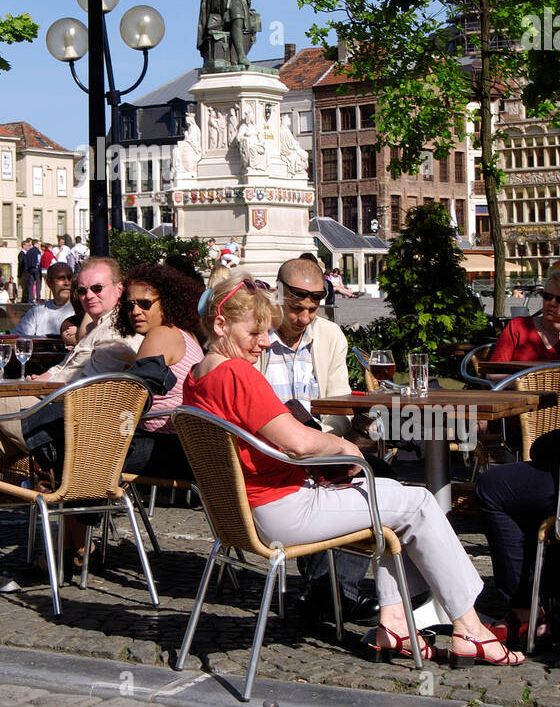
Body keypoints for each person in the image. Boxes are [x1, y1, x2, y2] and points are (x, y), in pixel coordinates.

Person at [181, 277, 524, 667]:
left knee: (390, 505)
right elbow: (301, 443)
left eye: (266, 332)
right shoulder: (237, 374)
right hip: (283, 509)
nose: (262, 342)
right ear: (221, 325)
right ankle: (470, 627)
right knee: (419, 503)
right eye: (255, 332)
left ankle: (393, 621)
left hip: (245, 514)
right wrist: (344, 447)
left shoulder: (198, 376)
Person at [261, 258, 380, 623]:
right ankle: (334, 594)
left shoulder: (329, 336)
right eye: (296, 308)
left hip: (319, 446)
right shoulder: (256, 336)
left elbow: (339, 407)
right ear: (276, 295)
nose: (304, 318)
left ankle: (330, 590)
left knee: (372, 474)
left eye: (313, 309)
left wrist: (322, 442)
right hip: (270, 451)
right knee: (337, 477)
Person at [0, 257, 141, 464]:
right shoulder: (99, 327)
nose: (88, 296)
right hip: (49, 416)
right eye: (83, 291)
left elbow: (84, 392)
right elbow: (66, 368)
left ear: (119, 289)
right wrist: (43, 378)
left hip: (63, 427)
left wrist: (40, 387)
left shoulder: (117, 335)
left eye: (97, 288)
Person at [474, 271, 560, 644]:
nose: (553, 304)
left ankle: (524, 609)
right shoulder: (520, 329)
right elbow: (494, 377)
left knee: (498, 488)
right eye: (548, 296)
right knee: (516, 481)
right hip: (514, 425)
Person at [116, 262, 204, 480]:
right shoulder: (186, 335)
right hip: (185, 449)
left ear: (166, 302)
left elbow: (131, 400)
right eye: (129, 305)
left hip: (163, 448)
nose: (135, 311)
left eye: (145, 304)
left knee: (73, 443)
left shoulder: (161, 335)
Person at [489, 269, 560, 362]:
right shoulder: (519, 326)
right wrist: (524, 377)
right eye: (547, 296)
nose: (552, 303)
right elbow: (492, 373)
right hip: (514, 377)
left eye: (559, 299)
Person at [14, 264, 74, 336]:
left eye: (70, 278)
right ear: (49, 283)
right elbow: (17, 337)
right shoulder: (36, 312)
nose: (67, 283)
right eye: (61, 278)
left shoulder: (82, 311)